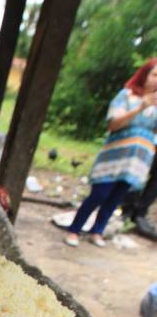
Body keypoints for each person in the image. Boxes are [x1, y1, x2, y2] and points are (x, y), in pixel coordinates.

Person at [64, 58, 157, 248]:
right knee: (99, 194)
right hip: (114, 158)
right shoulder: (126, 95)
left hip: (137, 163)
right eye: (155, 75)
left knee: (115, 198)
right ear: (144, 75)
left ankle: (97, 230)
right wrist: (141, 107)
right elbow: (114, 124)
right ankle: (74, 229)